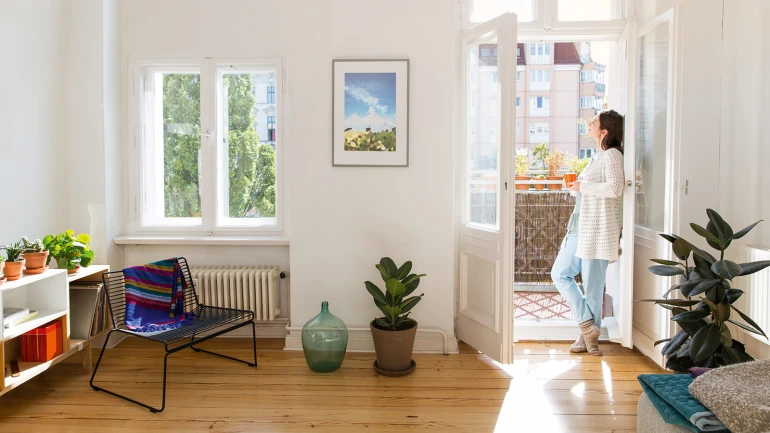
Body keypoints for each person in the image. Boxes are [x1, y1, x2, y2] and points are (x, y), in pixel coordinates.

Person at [550, 110, 625, 356]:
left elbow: (615, 189)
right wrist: (576, 189)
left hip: (598, 228)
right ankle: (587, 326)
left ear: (604, 132)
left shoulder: (612, 155)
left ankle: (587, 340)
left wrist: (584, 185)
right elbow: (591, 190)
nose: (589, 124)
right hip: (580, 225)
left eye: (594, 122)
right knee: (560, 273)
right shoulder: (598, 156)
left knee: (593, 286)